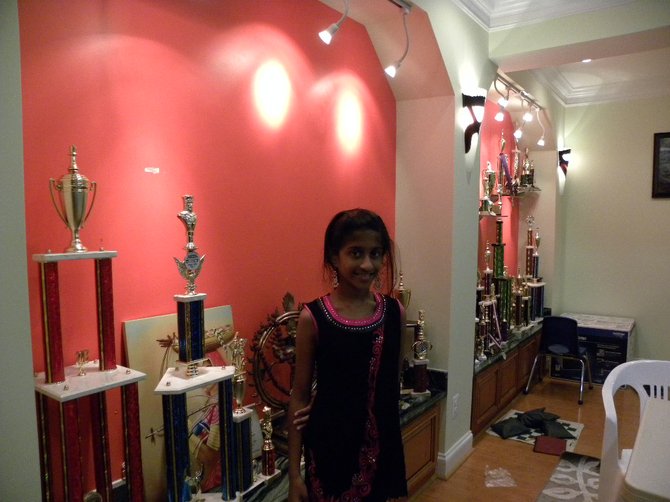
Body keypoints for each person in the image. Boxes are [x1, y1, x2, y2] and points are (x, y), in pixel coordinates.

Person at [288, 208, 408, 502]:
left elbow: (389, 386)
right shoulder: (313, 317)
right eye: (356, 253)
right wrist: (293, 476)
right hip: (329, 450)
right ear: (334, 256)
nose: (368, 264)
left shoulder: (394, 313)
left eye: (375, 253)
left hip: (381, 450)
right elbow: (299, 395)